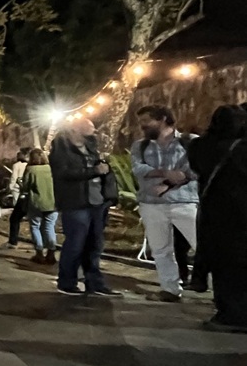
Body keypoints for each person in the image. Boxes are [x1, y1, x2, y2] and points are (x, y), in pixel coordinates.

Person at [131, 105, 199, 303]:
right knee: (160, 249)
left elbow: (196, 169)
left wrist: (174, 179)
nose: (142, 126)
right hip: (151, 204)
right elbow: (138, 168)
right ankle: (169, 289)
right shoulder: (140, 146)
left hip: (184, 202)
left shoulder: (190, 142)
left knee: (203, 246)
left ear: (162, 119)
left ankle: (225, 292)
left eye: (146, 121)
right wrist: (167, 174)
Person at [188, 105, 247, 328]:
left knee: (224, 268)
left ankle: (230, 313)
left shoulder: (200, 146)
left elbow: (197, 166)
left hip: (216, 215)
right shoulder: (242, 148)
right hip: (241, 215)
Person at [50, 118, 120, 296]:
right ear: (75, 129)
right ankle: (67, 282)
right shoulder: (61, 149)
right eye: (90, 128)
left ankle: (95, 283)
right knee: (75, 243)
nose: (94, 131)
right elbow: (63, 173)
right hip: (76, 203)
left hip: (97, 202)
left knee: (95, 245)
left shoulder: (91, 148)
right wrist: (93, 172)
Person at [22, 148, 58, 264]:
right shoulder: (51, 168)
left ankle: (39, 253)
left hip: (36, 203)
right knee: (50, 227)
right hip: (52, 203)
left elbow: (26, 186)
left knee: (35, 226)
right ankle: (51, 252)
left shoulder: (31, 169)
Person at [5, 151, 30, 248]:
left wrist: (10, 187)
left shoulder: (17, 165)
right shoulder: (29, 165)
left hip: (18, 189)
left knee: (16, 214)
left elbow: (14, 177)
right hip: (31, 194)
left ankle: (13, 242)